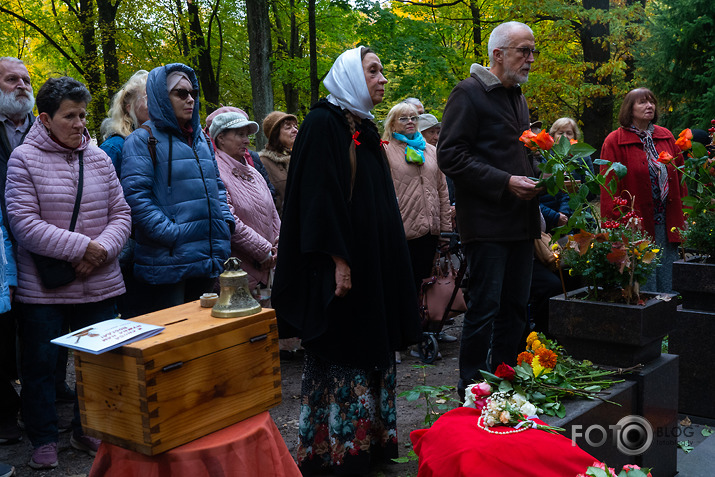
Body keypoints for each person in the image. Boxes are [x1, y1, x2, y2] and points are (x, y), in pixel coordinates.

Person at [272, 46, 421, 475]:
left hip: (370, 266)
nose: (382, 79)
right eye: (373, 70)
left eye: (381, 70)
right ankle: (335, 452)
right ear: (351, 76)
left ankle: (369, 444)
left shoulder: (364, 127)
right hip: (342, 270)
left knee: (371, 345)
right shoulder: (323, 123)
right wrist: (339, 259)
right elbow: (319, 198)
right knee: (344, 350)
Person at [6, 76, 131, 469]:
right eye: (69, 116)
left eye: (82, 115)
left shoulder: (99, 157)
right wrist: (83, 247)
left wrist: (103, 251)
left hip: (99, 282)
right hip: (45, 290)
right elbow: (23, 222)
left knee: (98, 362)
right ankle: (43, 437)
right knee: (41, 367)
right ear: (44, 119)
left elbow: (122, 214)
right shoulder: (23, 159)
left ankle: (86, 429)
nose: (79, 124)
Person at [437, 21, 541, 399]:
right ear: (498, 54)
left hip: (521, 221)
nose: (530, 58)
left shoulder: (517, 96)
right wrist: (505, 182)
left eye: (533, 51)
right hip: (486, 224)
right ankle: (471, 388)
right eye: (523, 51)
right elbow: (450, 155)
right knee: (484, 308)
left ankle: (503, 384)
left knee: (515, 307)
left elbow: (513, 152)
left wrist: (543, 174)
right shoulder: (468, 93)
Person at [121, 64, 234, 314]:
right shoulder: (141, 140)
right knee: (174, 340)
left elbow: (217, 187)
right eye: (180, 93)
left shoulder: (201, 139)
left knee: (205, 336)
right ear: (162, 96)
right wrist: (172, 235)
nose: (190, 98)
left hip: (207, 255)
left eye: (192, 92)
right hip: (168, 262)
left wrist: (225, 224)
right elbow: (136, 199)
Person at [600, 87, 687, 293]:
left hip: (667, 222)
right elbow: (609, 188)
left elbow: (680, 177)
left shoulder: (665, 136)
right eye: (642, 102)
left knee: (669, 282)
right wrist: (615, 227)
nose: (649, 106)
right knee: (644, 283)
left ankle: (669, 323)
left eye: (652, 102)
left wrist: (684, 215)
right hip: (635, 225)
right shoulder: (614, 141)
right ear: (629, 109)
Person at [382, 102, 454, 342]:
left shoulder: (431, 151)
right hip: (402, 230)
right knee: (401, 284)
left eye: (413, 118)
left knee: (425, 282)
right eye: (403, 119)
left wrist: (445, 230)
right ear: (392, 124)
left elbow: (443, 191)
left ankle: (424, 330)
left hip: (430, 229)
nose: (410, 122)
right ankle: (399, 334)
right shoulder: (385, 151)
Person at [209, 107, 280, 290]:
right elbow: (230, 221)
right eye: (240, 134)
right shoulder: (214, 173)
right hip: (238, 273)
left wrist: (279, 245)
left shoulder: (253, 172)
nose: (247, 140)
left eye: (247, 135)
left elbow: (272, 212)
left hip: (269, 269)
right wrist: (263, 251)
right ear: (220, 138)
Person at [0, 56, 33, 448]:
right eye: (12, 79)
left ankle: (48, 396)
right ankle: (6, 409)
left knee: (40, 325)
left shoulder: (44, 126)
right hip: (1, 243)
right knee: (3, 332)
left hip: (40, 242)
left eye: (25, 79)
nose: (22, 85)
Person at [99, 70, 149, 319]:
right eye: (149, 98)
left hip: (151, 252)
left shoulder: (157, 142)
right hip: (128, 254)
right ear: (128, 106)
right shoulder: (114, 147)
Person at [100, 70, 149, 178]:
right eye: (148, 98)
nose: (156, 104)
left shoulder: (159, 141)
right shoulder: (114, 147)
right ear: (130, 107)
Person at [258, 111, 298, 215]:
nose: (295, 130)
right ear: (275, 134)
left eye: (295, 126)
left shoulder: (299, 158)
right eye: (288, 127)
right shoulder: (263, 162)